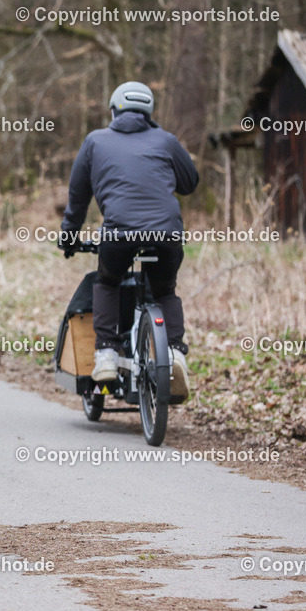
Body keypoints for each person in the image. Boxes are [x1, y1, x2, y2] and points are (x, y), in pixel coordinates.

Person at [59, 81, 199, 396]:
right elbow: (190, 182)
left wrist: (69, 236)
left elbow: (78, 196)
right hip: (165, 233)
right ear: (149, 113)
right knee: (165, 290)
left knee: (108, 282)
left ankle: (106, 353)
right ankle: (174, 353)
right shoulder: (166, 140)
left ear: (113, 110)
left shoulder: (94, 141)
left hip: (119, 233)